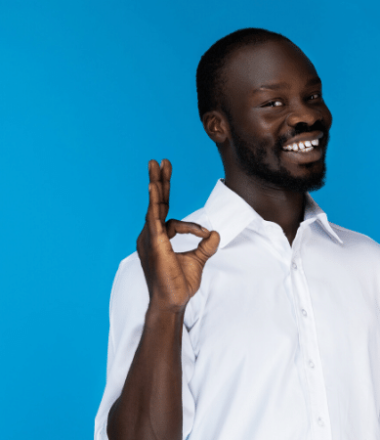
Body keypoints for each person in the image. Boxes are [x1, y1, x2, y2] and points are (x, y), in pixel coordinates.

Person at [95, 28, 380, 440]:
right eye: (273, 103)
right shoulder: (163, 269)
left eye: (312, 96)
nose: (306, 116)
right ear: (217, 127)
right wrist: (166, 309)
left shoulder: (368, 262)